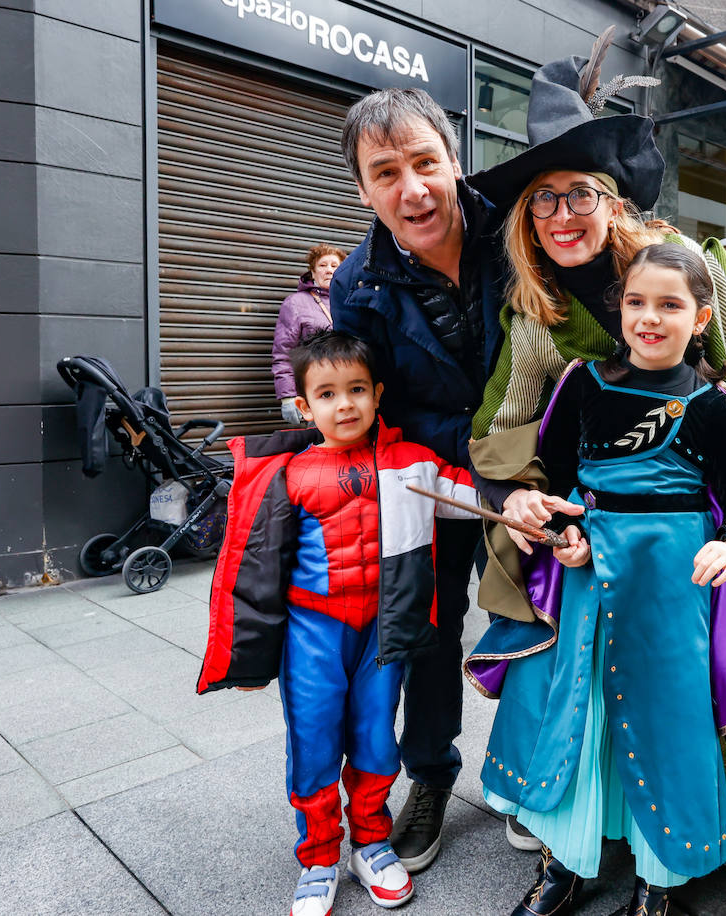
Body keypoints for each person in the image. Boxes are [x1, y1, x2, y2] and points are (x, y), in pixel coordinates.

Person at [464, 33, 726, 916]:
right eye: (541, 203)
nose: (561, 217)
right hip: (589, 538)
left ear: (612, 201)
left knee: (711, 688)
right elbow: (506, 433)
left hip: (714, 514)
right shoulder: (535, 316)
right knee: (570, 699)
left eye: (578, 194)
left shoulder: (700, 274)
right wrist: (523, 503)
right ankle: (572, 855)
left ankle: (713, 858)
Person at [468, 243, 726, 916]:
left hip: (674, 585)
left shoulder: (713, 404)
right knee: (579, 711)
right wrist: (565, 536)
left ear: (702, 317)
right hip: (588, 583)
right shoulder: (582, 383)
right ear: (619, 310)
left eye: (670, 305)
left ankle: (660, 881)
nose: (650, 318)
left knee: (669, 715)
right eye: (636, 303)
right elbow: (560, 482)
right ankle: (561, 865)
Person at [196, 332, 491, 915]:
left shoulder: (412, 463)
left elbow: (479, 496)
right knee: (314, 743)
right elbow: (253, 568)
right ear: (304, 406)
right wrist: (248, 651)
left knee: (376, 741)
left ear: (379, 394)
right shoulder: (288, 473)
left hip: (384, 631)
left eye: (357, 389)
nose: (346, 404)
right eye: (327, 394)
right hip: (313, 632)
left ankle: (372, 842)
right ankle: (319, 856)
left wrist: (532, 505)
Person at [330, 87, 508, 871]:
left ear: (453, 159)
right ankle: (431, 776)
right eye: (387, 172)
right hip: (428, 484)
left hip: (527, 474)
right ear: (364, 189)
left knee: (544, 622)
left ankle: (541, 773)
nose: (414, 189)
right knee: (427, 636)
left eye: (426, 163)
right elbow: (373, 409)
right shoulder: (356, 287)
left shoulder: (519, 228)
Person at [273, 244, 345, 423]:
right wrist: (288, 396)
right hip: (315, 392)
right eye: (322, 265)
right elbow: (283, 352)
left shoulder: (350, 302)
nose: (329, 271)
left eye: (334, 266)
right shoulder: (296, 304)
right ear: (312, 273)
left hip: (347, 389)